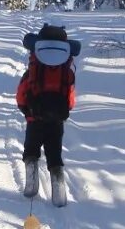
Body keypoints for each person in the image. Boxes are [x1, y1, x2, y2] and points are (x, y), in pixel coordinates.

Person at [16, 23, 80, 204]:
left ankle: (31, 185)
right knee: (54, 154)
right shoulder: (66, 74)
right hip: (57, 121)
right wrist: (62, 112)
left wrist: (25, 110)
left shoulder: (33, 72)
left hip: (33, 118)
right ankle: (59, 192)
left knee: (31, 150)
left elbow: (21, 95)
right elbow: (70, 99)